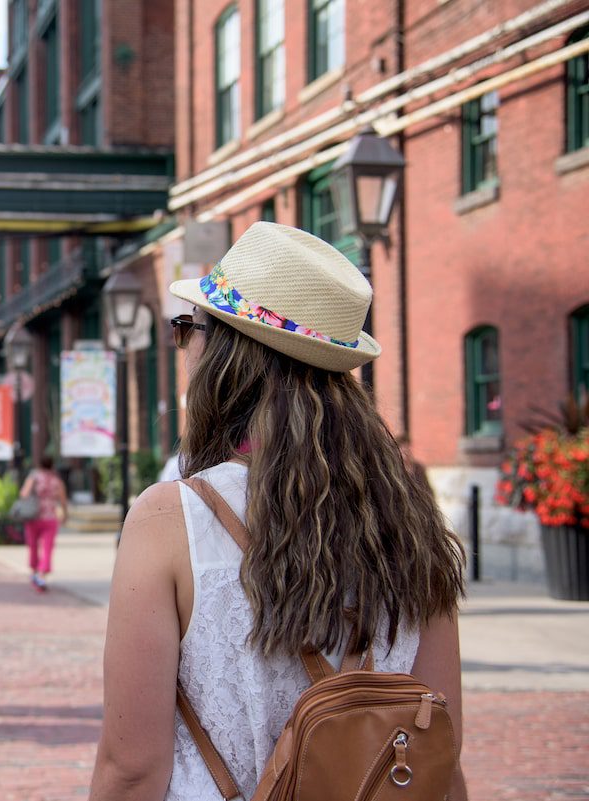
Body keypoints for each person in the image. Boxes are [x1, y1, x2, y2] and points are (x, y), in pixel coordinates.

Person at [88, 223, 467, 800]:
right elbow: (441, 749)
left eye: (187, 328)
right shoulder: (411, 523)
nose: (184, 345)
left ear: (225, 351)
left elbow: (131, 768)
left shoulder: (172, 520)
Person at [18, 455, 69, 593]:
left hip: (33, 517)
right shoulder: (57, 480)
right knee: (47, 548)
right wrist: (65, 515)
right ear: (52, 465)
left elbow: (24, 494)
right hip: (50, 519)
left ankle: (34, 573)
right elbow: (63, 500)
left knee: (33, 546)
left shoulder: (34, 477)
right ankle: (42, 575)